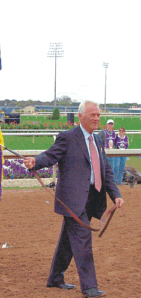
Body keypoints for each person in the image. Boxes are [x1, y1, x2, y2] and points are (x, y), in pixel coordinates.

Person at [24, 100, 124, 297]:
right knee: (82, 239)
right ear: (80, 116)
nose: (97, 118)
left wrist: (116, 195)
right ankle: (89, 287)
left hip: (91, 199)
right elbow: (51, 156)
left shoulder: (98, 140)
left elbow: (106, 172)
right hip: (72, 200)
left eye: (98, 115)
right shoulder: (67, 137)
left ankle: (55, 278)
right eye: (92, 115)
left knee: (67, 241)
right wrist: (36, 161)